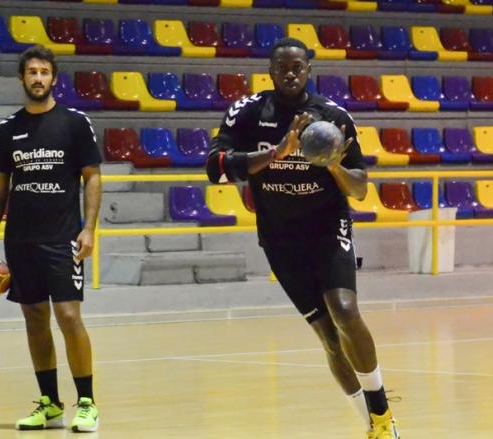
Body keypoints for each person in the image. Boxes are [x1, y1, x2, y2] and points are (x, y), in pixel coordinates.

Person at [206, 38, 400, 439]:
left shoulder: (333, 117)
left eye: (298, 67)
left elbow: (360, 188)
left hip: (327, 226)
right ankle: (374, 428)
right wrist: (277, 153)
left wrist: (332, 167)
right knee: (329, 338)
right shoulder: (248, 113)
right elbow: (215, 168)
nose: (290, 73)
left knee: (344, 309)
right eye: (283, 67)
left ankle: (381, 412)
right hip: (279, 237)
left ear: (309, 70)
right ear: (271, 72)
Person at [0, 46, 102, 433]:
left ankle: (87, 403)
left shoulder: (75, 123)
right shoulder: (8, 129)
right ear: (22, 79)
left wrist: (90, 228)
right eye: (32, 72)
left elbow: (92, 177)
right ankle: (49, 404)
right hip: (21, 240)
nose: (38, 78)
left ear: (54, 79)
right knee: (34, 318)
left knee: (68, 316)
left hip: (62, 238)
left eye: (45, 71)